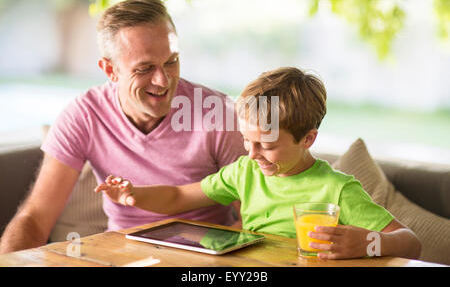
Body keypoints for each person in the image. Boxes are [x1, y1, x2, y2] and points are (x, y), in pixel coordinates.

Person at [0, 0, 246, 254]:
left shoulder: (218, 114)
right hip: (122, 257)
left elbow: (252, 218)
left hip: (203, 259)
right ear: (110, 69)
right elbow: (36, 218)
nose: (163, 80)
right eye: (145, 68)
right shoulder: (83, 115)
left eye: (171, 62)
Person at [95, 67, 422, 260]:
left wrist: (369, 243)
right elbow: (179, 198)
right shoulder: (244, 172)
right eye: (246, 141)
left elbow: (411, 243)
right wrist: (132, 195)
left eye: (266, 145)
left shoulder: (336, 190)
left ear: (308, 139)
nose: (252, 154)